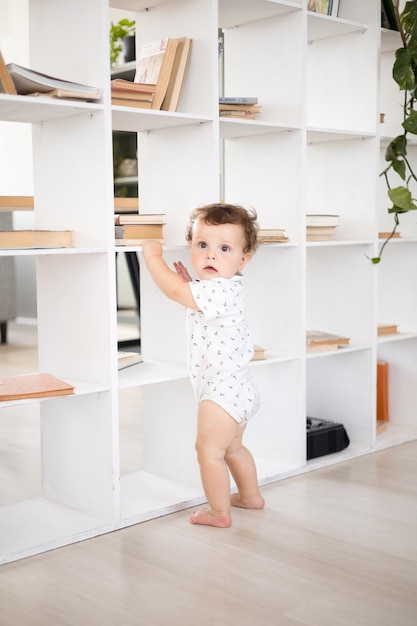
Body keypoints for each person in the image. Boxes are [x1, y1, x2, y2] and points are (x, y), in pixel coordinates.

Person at [142, 203, 265, 527]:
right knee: (233, 448)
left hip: (222, 392)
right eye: (202, 245)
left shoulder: (219, 291)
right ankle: (250, 497)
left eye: (224, 248)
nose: (211, 255)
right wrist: (190, 284)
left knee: (208, 451)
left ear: (243, 260)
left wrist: (153, 257)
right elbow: (190, 298)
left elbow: (173, 290)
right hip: (239, 389)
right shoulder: (222, 288)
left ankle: (218, 512)